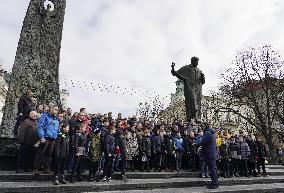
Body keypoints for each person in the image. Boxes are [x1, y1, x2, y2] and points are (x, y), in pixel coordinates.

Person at [33, 104, 59, 175]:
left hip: (53, 138)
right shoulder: (45, 116)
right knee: (41, 153)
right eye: (55, 109)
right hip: (45, 138)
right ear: (51, 109)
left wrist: (56, 136)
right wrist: (41, 136)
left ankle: (46, 169)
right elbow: (40, 126)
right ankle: (35, 169)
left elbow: (56, 129)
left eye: (57, 109)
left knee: (49, 154)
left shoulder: (56, 119)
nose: (57, 111)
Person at [201, 122, 218, 189]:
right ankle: (215, 182)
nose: (201, 127)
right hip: (212, 153)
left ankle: (214, 184)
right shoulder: (212, 132)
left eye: (202, 126)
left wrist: (196, 144)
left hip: (209, 153)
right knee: (213, 168)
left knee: (212, 169)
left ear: (205, 126)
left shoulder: (207, 132)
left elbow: (203, 142)